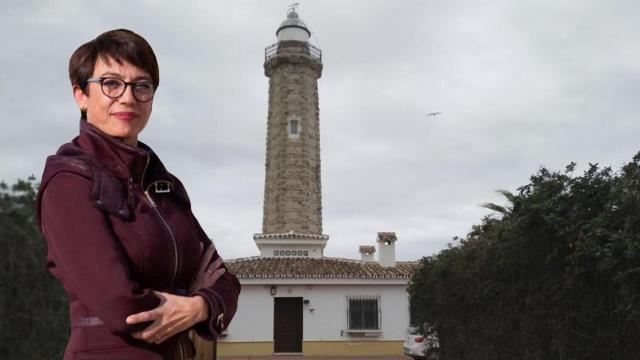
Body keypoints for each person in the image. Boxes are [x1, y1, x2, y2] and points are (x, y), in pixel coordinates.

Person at [35, 29, 241, 360]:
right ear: (81, 95)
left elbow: (225, 279)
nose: (128, 97)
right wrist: (190, 299)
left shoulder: (166, 186)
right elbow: (120, 306)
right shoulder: (68, 181)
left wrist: (200, 305)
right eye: (111, 83)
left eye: (141, 86)